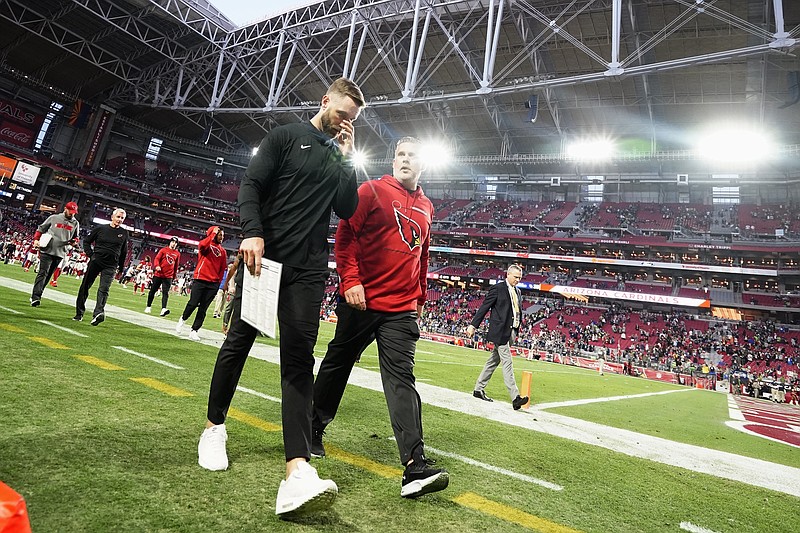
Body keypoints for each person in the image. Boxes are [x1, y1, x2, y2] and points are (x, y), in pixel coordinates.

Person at [196, 77, 364, 518]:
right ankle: (214, 429)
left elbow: (347, 209)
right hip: (264, 262)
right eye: (342, 113)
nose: (345, 123)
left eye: (353, 119)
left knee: (298, 361)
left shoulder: (338, 154)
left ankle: (297, 471)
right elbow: (250, 186)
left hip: (308, 272)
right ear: (325, 101)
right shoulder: (287, 136)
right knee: (238, 344)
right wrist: (251, 232)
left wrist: (348, 158)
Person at [311, 136, 449, 499]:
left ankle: (414, 465)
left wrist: (419, 294)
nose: (404, 160)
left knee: (402, 378)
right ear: (393, 160)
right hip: (362, 302)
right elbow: (345, 236)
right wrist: (350, 280)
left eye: (411, 155)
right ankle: (311, 427)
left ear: (423, 164)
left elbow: (424, 254)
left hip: (401, 309)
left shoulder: (427, 206)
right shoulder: (371, 190)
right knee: (338, 363)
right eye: (400, 154)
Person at [466, 265, 529, 410]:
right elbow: (484, 307)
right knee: (507, 362)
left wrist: (517, 330)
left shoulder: (518, 291)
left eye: (520, 277)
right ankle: (515, 397)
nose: (518, 280)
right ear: (508, 274)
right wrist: (473, 325)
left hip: (511, 331)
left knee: (493, 361)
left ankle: (478, 389)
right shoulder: (498, 288)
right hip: (500, 332)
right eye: (515, 277)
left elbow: (516, 312)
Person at [74, 208, 129, 325]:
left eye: (122, 218)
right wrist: (91, 255)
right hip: (96, 261)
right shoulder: (100, 228)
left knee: (104, 289)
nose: (120, 220)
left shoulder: (124, 233)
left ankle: (98, 313)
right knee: (85, 287)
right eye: (118, 217)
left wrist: (121, 268)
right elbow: (87, 241)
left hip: (111, 265)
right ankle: (79, 313)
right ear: (112, 217)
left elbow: (123, 252)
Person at [176, 226, 227, 341]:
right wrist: (212, 234)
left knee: (203, 308)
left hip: (213, 284)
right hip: (200, 279)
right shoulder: (206, 246)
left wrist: (218, 283)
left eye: (223, 236)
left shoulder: (223, 251)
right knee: (193, 303)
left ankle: (194, 330)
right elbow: (202, 246)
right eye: (220, 235)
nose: (222, 237)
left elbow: (222, 269)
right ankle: (182, 319)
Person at [29, 202, 80, 307]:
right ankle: (35, 297)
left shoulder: (75, 223)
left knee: (48, 275)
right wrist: (36, 240)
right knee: (43, 272)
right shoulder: (54, 218)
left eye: (74, 212)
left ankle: (38, 293)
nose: (72, 214)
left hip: (61, 252)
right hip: (47, 249)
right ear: (65, 209)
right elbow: (41, 229)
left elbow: (76, 237)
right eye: (70, 212)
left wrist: (74, 241)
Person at [145, 237, 181, 316]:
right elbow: (157, 259)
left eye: (175, 242)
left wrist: (174, 276)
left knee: (165, 293)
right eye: (172, 242)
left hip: (168, 276)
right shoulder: (163, 250)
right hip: (159, 274)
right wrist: (157, 266)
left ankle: (163, 309)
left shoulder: (177, 254)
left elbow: (176, 265)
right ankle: (148, 306)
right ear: (170, 242)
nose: (174, 244)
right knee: (152, 291)